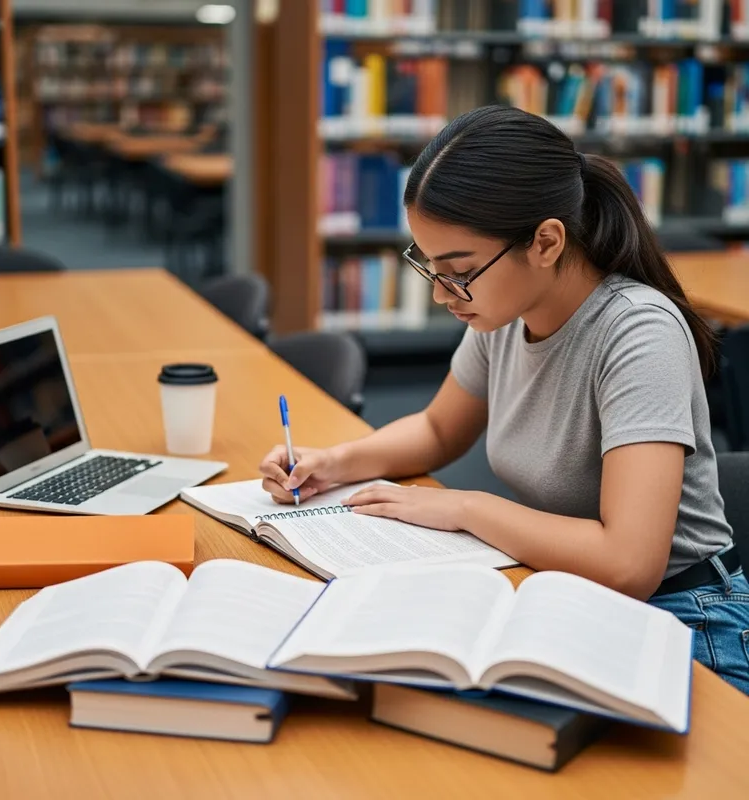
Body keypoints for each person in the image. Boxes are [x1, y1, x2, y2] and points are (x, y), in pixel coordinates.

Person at [259, 105, 749, 694]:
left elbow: (628, 564)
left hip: (685, 619)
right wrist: (331, 463)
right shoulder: (505, 314)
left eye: (458, 270)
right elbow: (439, 431)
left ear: (546, 242)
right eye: (429, 267)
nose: (442, 294)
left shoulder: (638, 333)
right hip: (571, 593)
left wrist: (466, 509)